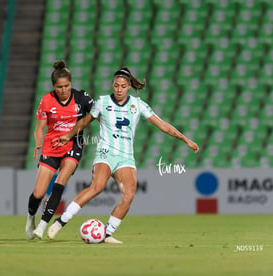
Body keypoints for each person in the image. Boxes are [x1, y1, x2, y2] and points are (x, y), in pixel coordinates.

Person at [48, 67, 199, 244]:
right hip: (106, 152)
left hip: (126, 157)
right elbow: (84, 122)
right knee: (97, 187)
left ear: (129, 87)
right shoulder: (102, 102)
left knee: (129, 195)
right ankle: (60, 222)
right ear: (112, 85)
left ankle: (107, 233)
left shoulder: (138, 105)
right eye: (116, 85)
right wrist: (67, 135)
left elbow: (163, 125)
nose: (119, 89)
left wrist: (184, 139)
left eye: (123, 86)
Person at [26, 60, 93, 239]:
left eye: (67, 86)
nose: (63, 90)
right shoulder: (47, 100)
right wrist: (38, 143)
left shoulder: (81, 98)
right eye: (59, 87)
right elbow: (39, 128)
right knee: (39, 193)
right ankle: (31, 215)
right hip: (51, 145)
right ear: (53, 86)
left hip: (73, 144)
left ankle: (42, 226)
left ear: (71, 83)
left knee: (59, 183)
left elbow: (96, 113)